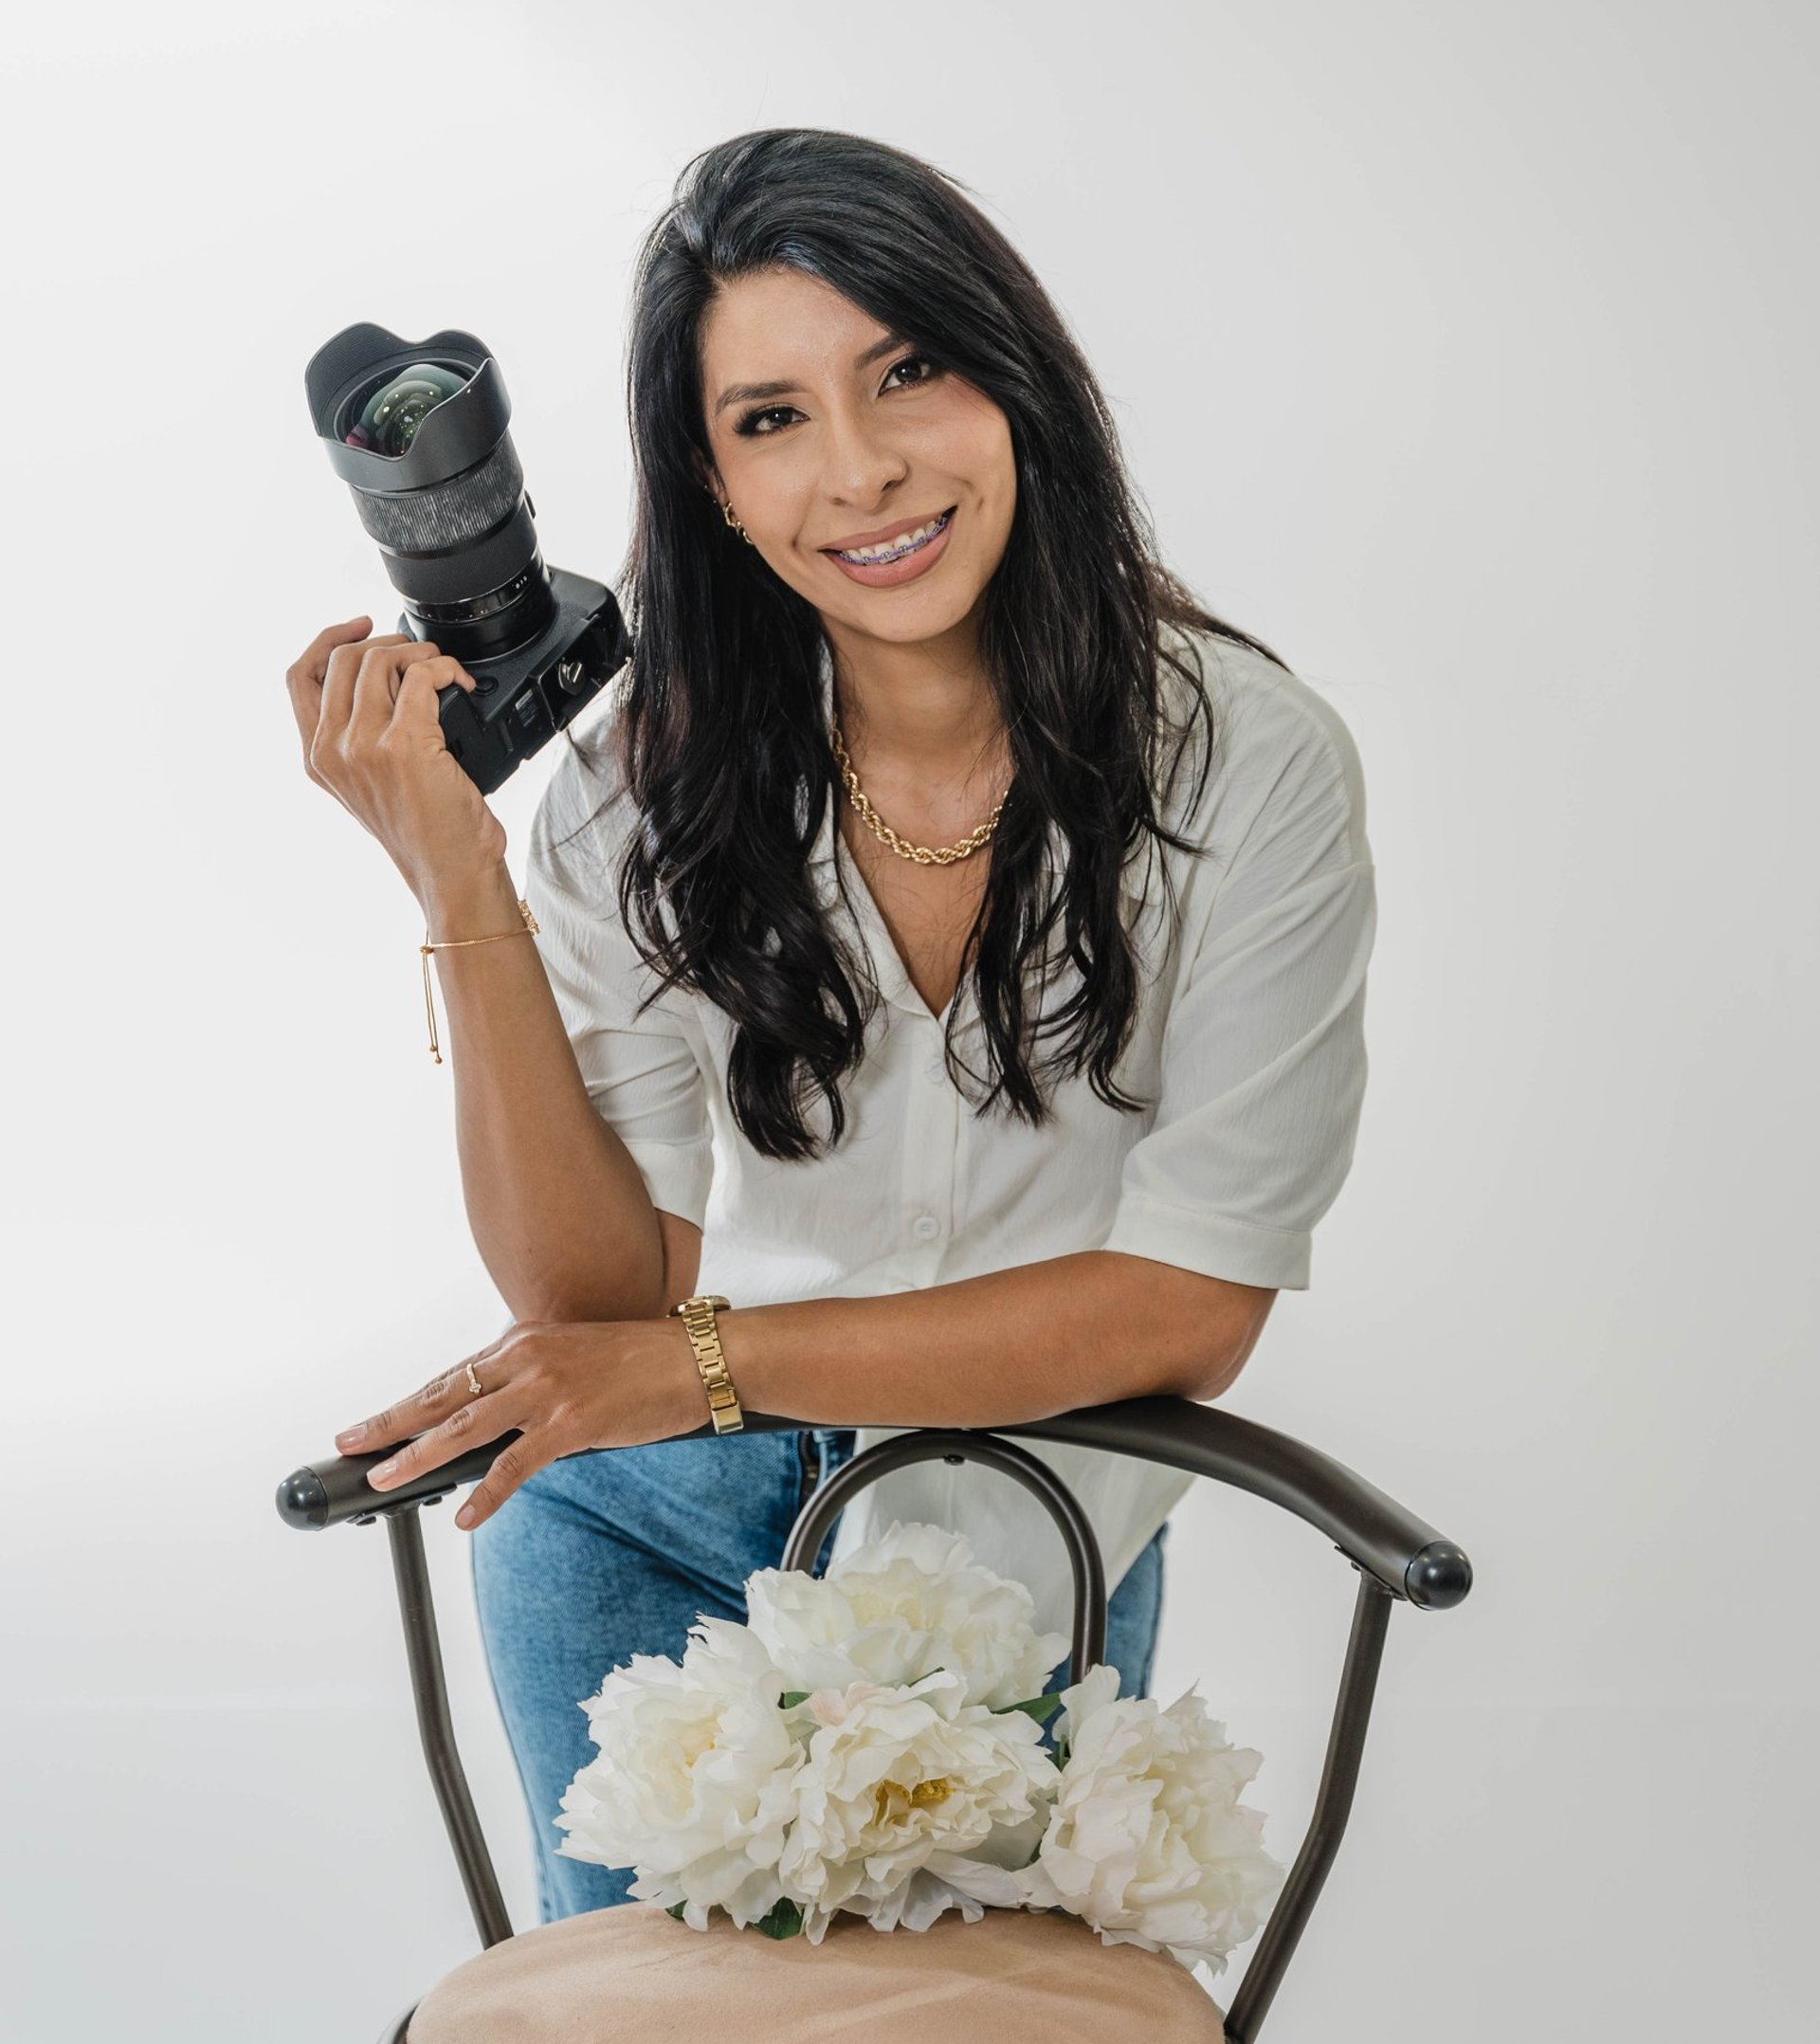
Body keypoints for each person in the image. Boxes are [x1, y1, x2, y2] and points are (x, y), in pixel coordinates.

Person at [284, 127, 1376, 1926]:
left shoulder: (1247, 764)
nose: (861, 471)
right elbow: (595, 1306)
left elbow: (1186, 1311)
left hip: (1026, 1541)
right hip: (637, 1518)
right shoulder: (636, 789)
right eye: (771, 418)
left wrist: (707, 1367)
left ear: (1016, 385)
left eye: (908, 372)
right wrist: (456, 877)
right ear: (709, 481)